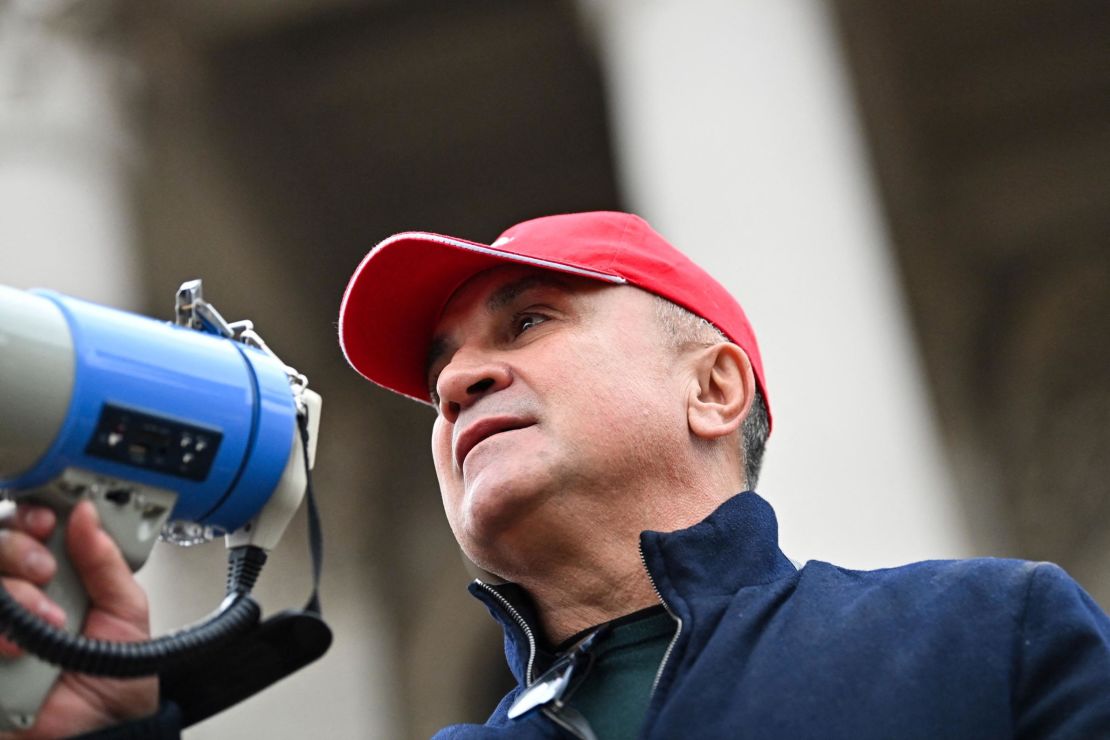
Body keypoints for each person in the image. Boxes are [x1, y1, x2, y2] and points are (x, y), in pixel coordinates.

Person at [2, 211, 1109, 738]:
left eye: (529, 319)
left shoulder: (985, 636)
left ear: (715, 388)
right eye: (440, 368)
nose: (457, 381)